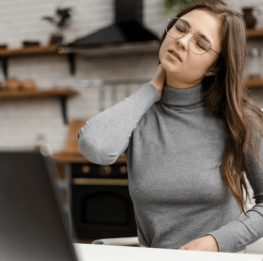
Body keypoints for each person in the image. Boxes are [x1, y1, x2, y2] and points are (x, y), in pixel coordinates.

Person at [77, 0, 263, 253]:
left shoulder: (242, 120)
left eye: (200, 44)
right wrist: (150, 90)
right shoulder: (139, 113)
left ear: (214, 68)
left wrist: (216, 242)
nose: (183, 41)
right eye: (181, 28)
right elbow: (95, 148)